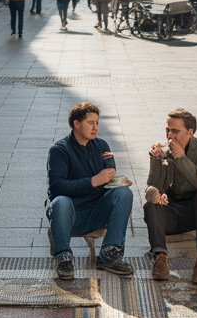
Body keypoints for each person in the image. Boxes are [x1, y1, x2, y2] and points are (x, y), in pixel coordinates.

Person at [46, 101, 134, 280]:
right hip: (70, 215)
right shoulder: (59, 150)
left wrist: (117, 182)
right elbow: (56, 187)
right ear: (76, 124)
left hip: (97, 211)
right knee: (60, 201)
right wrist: (93, 181)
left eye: (97, 122)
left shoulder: (102, 146)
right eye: (90, 123)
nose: (95, 127)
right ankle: (64, 257)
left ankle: (110, 254)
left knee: (124, 193)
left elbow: (108, 177)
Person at [143, 108, 197, 285]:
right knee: (150, 206)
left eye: (175, 131)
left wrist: (181, 158)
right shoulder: (164, 150)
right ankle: (160, 257)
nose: (170, 135)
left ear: (190, 132)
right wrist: (155, 162)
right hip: (173, 211)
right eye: (167, 130)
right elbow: (153, 188)